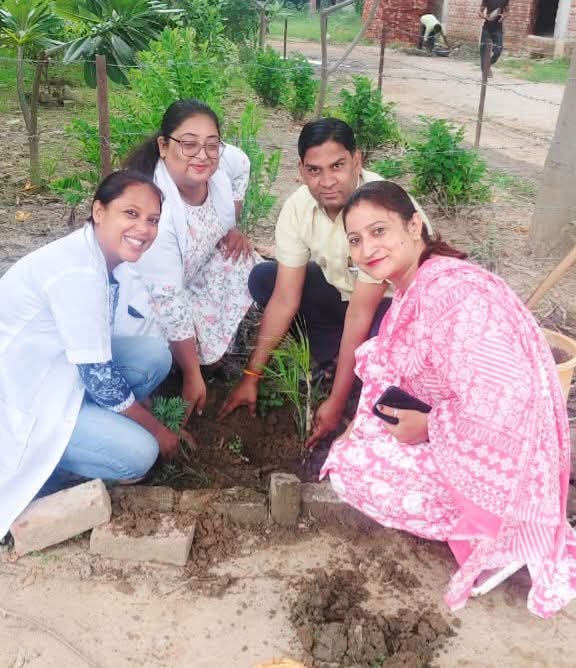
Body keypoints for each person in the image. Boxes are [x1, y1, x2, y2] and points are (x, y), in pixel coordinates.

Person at [320, 180, 576, 617]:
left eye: (379, 231)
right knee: (357, 446)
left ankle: (498, 537)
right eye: (356, 240)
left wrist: (431, 425)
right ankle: (481, 527)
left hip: (506, 462)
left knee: (354, 470)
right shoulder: (419, 285)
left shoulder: (454, 294)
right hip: (467, 433)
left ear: (413, 225)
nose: (367, 249)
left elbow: (507, 397)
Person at [219, 118, 432, 448]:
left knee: (383, 339)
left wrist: (335, 402)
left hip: (394, 310)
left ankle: (356, 380)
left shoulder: (377, 207)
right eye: (314, 170)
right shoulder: (299, 206)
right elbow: (285, 298)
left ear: (357, 161)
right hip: (342, 298)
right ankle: (337, 358)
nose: (328, 181)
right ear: (301, 171)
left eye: (338, 166)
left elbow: (361, 313)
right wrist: (251, 376)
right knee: (265, 279)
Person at [0, 170, 189, 540]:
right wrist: (158, 430)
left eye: (152, 220)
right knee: (139, 455)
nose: (144, 228)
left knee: (153, 355)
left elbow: (98, 356)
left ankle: (97, 427)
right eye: (131, 213)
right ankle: (53, 472)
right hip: (22, 398)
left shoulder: (98, 256)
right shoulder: (77, 271)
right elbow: (100, 379)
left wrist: (139, 410)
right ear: (99, 211)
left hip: (57, 373)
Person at [125, 99, 257, 420]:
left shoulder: (223, 163)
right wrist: (191, 375)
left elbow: (242, 164)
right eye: (188, 144)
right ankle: (166, 382)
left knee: (244, 262)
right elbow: (167, 299)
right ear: (163, 146)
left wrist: (232, 225)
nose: (202, 155)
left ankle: (211, 353)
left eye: (211, 145)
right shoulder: (155, 211)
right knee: (156, 356)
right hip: (141, 302)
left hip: (188, 274)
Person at [478, 0, 509, 76]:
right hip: (487, 28)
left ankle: (487, 65)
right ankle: (485, 71)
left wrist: (503, 17)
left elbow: (507, 12)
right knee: (483, 50)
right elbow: (480, 12)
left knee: (498, 50)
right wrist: (486, 17)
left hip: (498, 29)